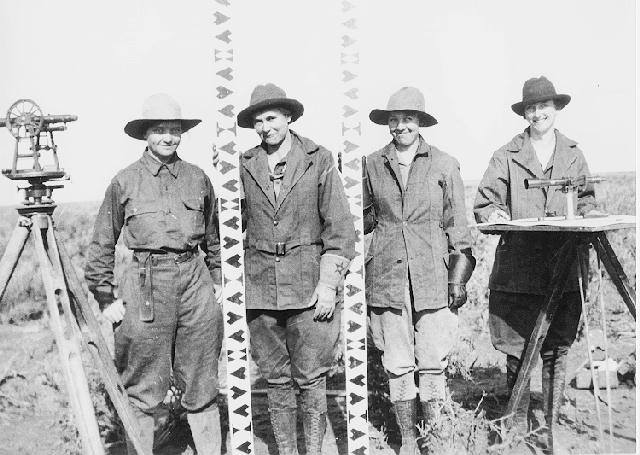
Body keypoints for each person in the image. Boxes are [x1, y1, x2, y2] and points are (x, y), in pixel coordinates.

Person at [85, 93, 224, 454]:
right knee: (143, 390)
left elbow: (215, 238)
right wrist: (105, 298)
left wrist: (218, 280)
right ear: (146, 133)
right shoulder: (125, 182)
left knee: (202, 385)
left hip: (194, 282)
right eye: (160, 130)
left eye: (175, 130)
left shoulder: (198, 178)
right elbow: (101, 244)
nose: (168, 137)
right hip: (146, 283)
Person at [473, 76, 597, 453]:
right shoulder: (506, 155)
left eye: (545, 106)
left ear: (556, 109)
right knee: (517, 347)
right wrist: (497, 211)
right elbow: (483, 204)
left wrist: (584, 219)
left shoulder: (574, 154)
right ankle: (516, 425)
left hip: (564, 267)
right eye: (531, 107)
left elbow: (589, 202)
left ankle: (551, 427)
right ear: (524, 113)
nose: (538, 113)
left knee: (557, 347)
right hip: (519, 271)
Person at [232, 83, 355, 455]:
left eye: (271, 118)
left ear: (288, 117)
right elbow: (229, 224)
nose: (265, 127)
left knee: (312, 377)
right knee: (276, 378)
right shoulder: (243, 164)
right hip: (261, 290)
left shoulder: (318, 159)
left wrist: (329, 285)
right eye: (258, 121)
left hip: (308, 289)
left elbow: (339, 228)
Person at [363, 87, 475, 454]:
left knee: (431, 363)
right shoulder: (370, 165)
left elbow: (458, 225)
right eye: (393, 120)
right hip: (386, 277)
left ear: (420, 122)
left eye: (407, 119)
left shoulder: (444, 164)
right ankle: (409, 440)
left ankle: (435, 438)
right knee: (396, 363)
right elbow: (360, 220)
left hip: (432, 278)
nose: (399, 127)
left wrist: (458, 276)